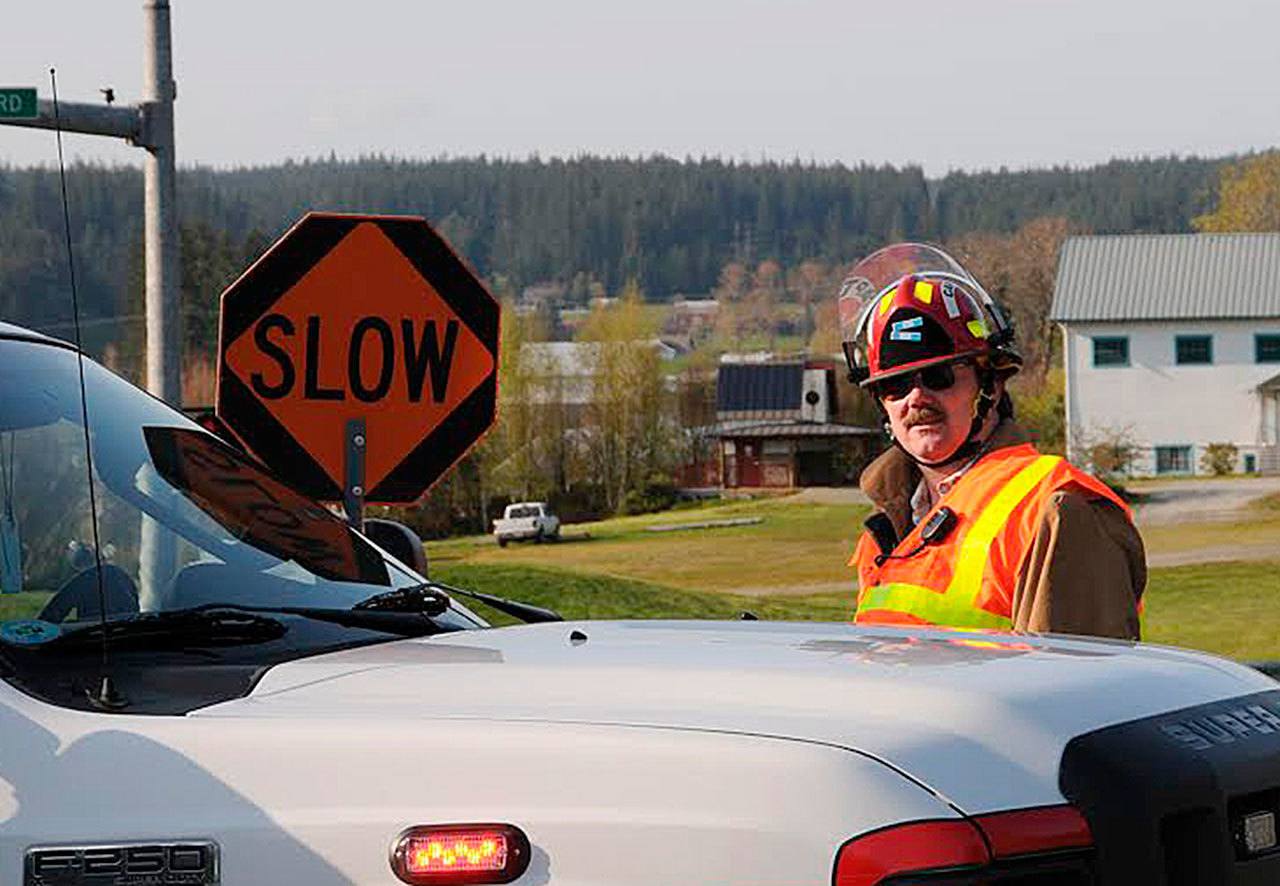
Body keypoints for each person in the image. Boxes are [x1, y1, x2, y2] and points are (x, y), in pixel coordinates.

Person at [838, 243, 1145, 639]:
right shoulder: (890, 525)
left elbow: (1080, 691)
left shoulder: (1056, 510)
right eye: (895, 385)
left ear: (991, 385)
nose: (916, 398)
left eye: (939, 376)